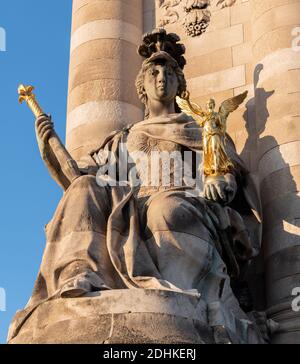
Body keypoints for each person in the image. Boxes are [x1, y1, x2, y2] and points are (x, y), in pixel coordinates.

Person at [9, 29, 263, 343]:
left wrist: (218, 186)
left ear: (179, 85)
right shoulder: (123, 138)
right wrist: (49, 147)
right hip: (128, 204)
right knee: (85, 188)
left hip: (183, 200)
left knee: (164, 209)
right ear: (141, 85)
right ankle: (80, 275)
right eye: (154, 73)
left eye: (169, 74)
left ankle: (182, 300)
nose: (162, 79)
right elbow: (80, 179)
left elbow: (223, 173)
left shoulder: (198, 129)